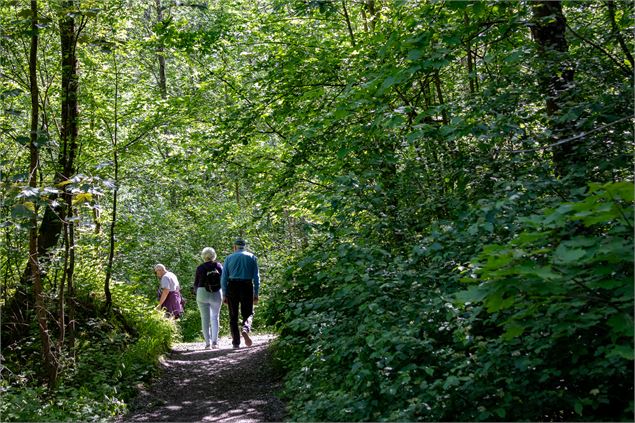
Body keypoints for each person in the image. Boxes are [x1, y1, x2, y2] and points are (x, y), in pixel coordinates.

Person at [221, 238, 260, 348]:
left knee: (233, 315)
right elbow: (256, 277)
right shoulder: (252, 257)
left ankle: (236, 343)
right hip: (247, 285)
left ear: (234, 247)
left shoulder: (229, 258)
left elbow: (224, 278)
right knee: (248, 312)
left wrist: (224, 293)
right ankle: (245, 328)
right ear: (244, 246)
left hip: (232, 286)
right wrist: (256, 293)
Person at [194, 247, 223, 349]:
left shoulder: (200, 268)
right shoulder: (218, 266)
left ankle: (207, 344)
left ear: (203, 256)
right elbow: (223, 281)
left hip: (202, 292)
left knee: (205, 318)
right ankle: (215, 343)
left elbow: (196, 284)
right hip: (216, 293)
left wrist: (196, 293)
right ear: (214, 255)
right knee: (215, 317)